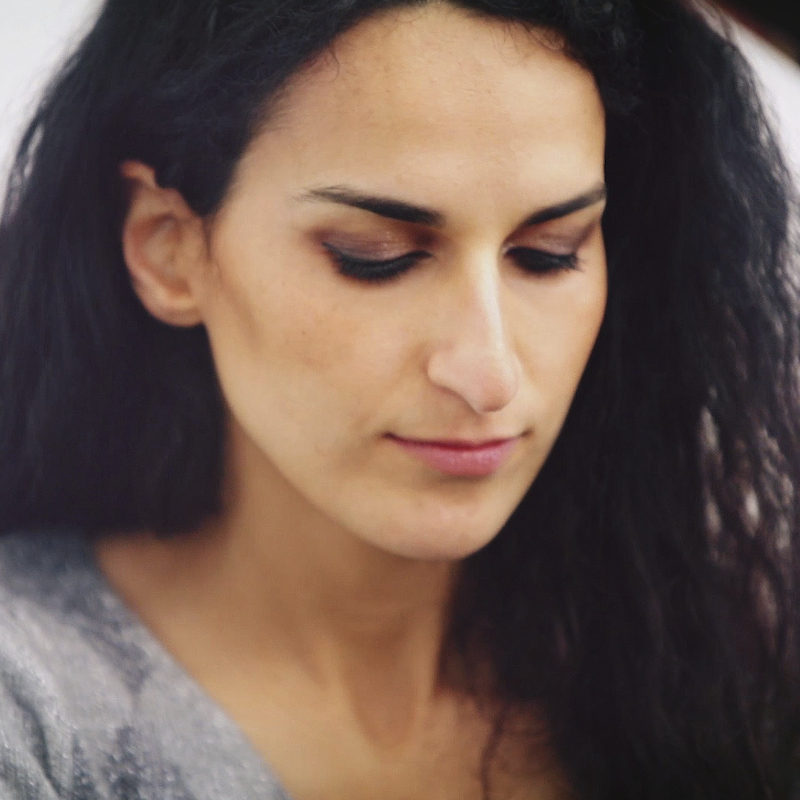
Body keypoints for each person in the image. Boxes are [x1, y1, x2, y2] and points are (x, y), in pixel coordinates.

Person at [0, 0, 798, 797]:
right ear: (169, 249)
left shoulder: (723, 674)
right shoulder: (31, 706)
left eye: (549, 255)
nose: (490, 376)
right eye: (374, 258)